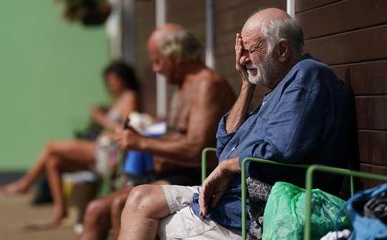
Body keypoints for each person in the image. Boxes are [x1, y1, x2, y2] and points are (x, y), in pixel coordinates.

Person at [118, 8, 353, 240]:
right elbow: (226, 144)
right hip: (231, 198)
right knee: (140, 199)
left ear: (282, 50)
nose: (242, 59)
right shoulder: (275, 89)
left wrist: (227, 167)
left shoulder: (306, 76)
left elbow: (280, 149)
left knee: (151, 225)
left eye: (250, 50)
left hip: (256, 209)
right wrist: (246, 85)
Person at [79, 23, 236, 240]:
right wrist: (142, 135)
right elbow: (179, 134)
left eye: (157, 61)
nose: (155, 69)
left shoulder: (206, 84)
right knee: (97, 209)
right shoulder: (184, 86)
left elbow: (195, 147)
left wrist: (140, 142)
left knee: (108, 207)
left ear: (175, 55)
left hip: (196, 176)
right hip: (171, 174)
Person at [0, 61, 140, 229]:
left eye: (113, 79)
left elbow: (125, 127)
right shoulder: (119, 99)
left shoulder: (130, 96)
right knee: (53, 162)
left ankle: (25, 184)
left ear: (123, 79)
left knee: (51, 146)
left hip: (107, 152)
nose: (110, 84)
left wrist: (101, 119)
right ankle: (60, 213)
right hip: (101, 149)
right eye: (108, 80)